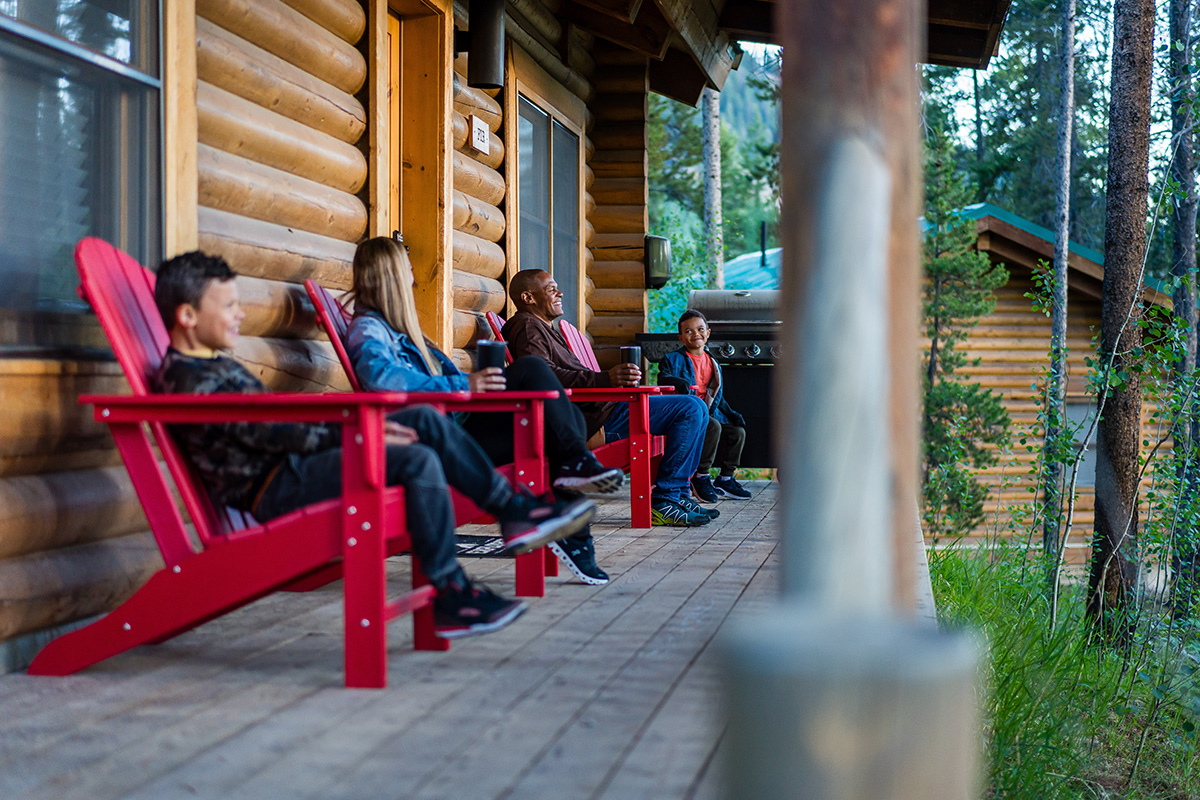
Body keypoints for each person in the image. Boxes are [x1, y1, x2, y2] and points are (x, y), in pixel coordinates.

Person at [152, 251, 595, 639]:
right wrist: (359, 432)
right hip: (274, 486)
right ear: (188, 316)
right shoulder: (190, 380)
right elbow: (266, 431)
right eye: (228, 306)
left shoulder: (211, 366)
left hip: (293, 466)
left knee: (421, 422)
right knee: (417, 459)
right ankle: (457, 584)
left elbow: (271, 424)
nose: (239, 315)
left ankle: (506, 520)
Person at [344, 237, 621, 585]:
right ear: (389, 276)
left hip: (460, 424)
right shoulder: (369, 329)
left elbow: (435, 379)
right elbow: (382, 378)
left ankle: (574, 476)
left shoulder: (401, 331)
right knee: (539, 394)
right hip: (444, 439)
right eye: (407, 272)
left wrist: (472, 382)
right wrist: (464, 386)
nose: (413, 280)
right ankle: (576, 521)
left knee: (542, 392)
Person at [503, 269, 715, 527]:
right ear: (528, 297)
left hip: (606, 407)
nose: (559, 293)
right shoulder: (527, 326)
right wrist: (606, 380)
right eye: (550, 289)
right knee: (690, 409)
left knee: (696, 407)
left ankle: (678, 495)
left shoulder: (543, 327)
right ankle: (666, 500)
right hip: (595, 419)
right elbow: (540, 375)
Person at [657, 309, 752, 501]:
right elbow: (662, 378)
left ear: (708, 333)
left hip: (708, 411)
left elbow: (717, 396)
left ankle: (725, 479)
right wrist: (675, 381)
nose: (696, 334)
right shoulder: (672, 359)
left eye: (700, 329)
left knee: (737, 431)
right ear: (681, 337)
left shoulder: (713, 362)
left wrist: (731, 413)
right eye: (689, 331)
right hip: (686, 414)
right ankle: (701, 476)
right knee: (713, 425)